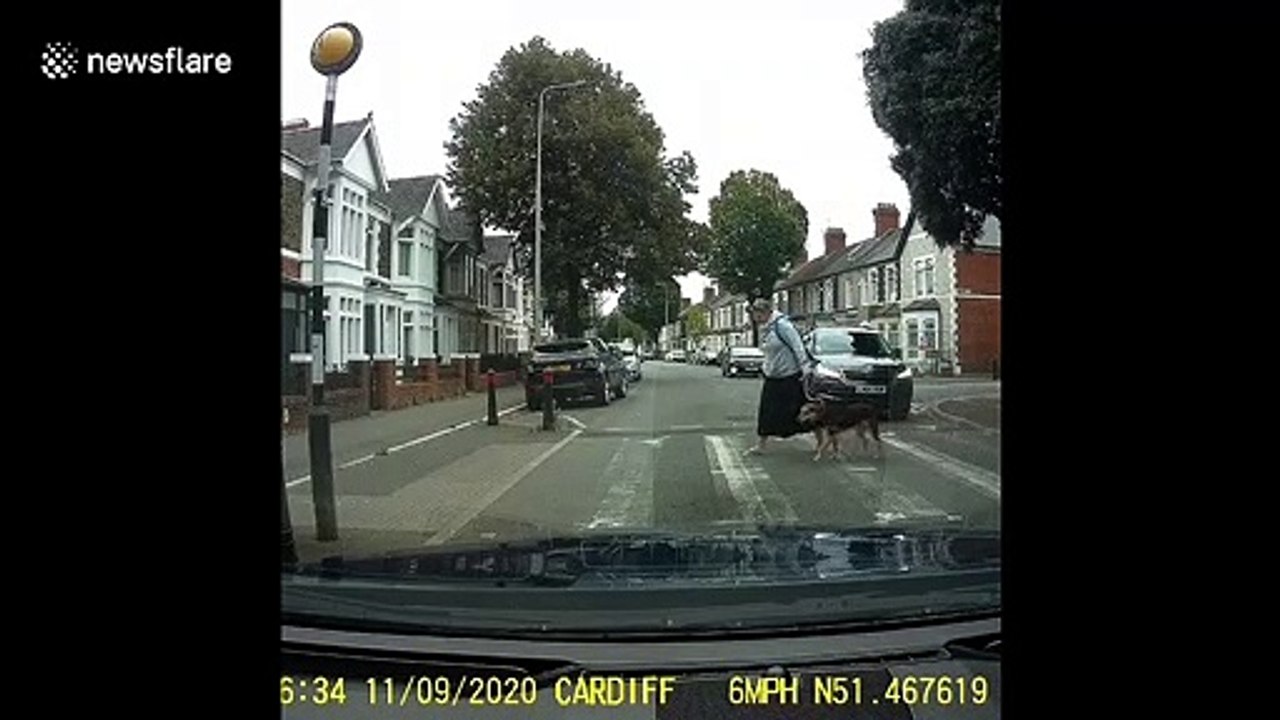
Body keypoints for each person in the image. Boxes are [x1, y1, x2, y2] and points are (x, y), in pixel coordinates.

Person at [746, 298, 812, 455]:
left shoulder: (783, 326)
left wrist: (805, 368)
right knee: (766, 412)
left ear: (765, 312)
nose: (754, 318)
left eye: (756, 314)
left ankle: (821, 440)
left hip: (790, 376)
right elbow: (769, 352)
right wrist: (765, 368)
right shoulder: (765, 328)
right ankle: (761, 446)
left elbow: (798, 346)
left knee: (799, 411)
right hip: (773, 377)